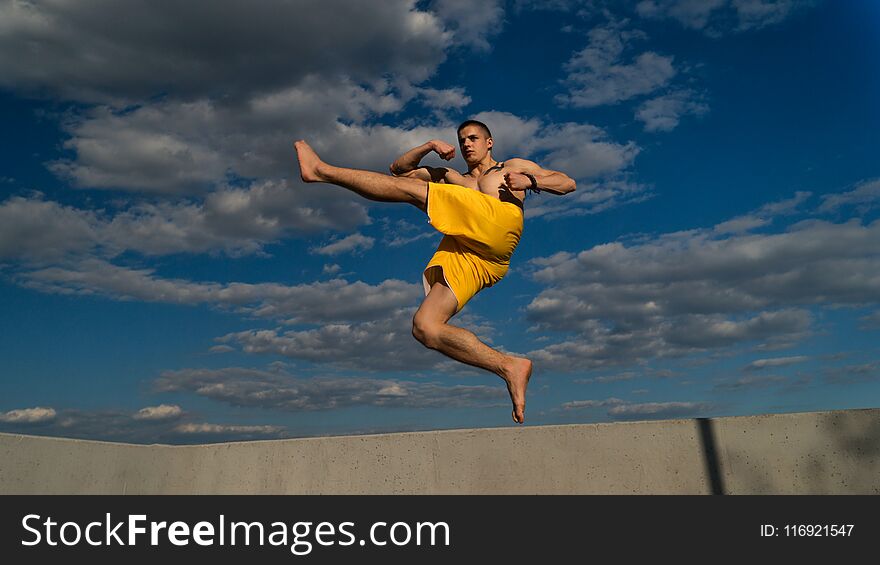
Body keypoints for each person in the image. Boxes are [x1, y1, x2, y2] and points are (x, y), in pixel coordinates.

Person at [294, 120, 575, 423]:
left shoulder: (510, 166)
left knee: (416, 192)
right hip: (473, 255)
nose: (467, 144)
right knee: (425, 327)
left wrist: (530, 181)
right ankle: (509, 366)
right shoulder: (452, 176)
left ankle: (321, 171)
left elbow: (566, 182)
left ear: (489, 142)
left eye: (473, 138)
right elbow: (398, 172)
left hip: (499, 224)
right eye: (461, 139)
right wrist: (428, 146)